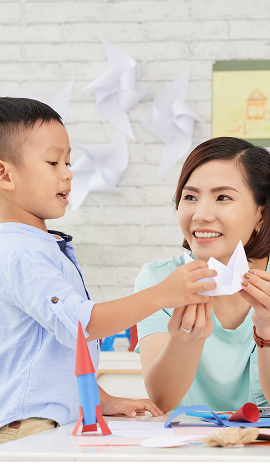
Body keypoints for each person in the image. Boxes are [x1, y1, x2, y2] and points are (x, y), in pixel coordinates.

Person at [0, 97, 217, 444]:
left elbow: (54, 359)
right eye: (53, 162)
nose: (68, 173)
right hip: (30, 428)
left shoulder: (37, 246)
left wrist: (106, 402)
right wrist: (162, 293)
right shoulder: (22, 251)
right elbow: (80, 325)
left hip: (48, 421)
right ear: (5, 174)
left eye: (68, 162)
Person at [136, 136, 270, 414]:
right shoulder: (158, 280)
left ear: (261, 214)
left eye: (223, 197)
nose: (201, 214)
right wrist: (187, 336)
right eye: (190, 197)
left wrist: (267, 331)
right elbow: (162, 400)